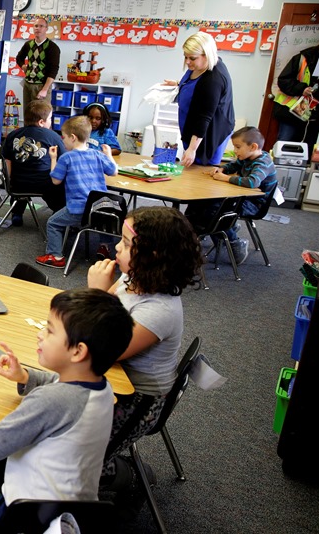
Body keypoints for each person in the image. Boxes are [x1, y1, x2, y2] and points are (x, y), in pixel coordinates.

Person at [0, 288, 133, 534]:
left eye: (49, 330)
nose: (40, 335)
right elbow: (61, 385)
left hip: (27, 520)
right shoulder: (102, 388)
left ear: (78, 351)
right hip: (78, 511)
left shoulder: (51, 401)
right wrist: (25, 376)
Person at [86, 206, 203, 516]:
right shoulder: (132, 277)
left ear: (151, 255)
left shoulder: (160, 310)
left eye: (125, 244)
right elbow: (111, 307)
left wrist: (95, 294)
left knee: (80, 461)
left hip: (138, 399)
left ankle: (134, 477)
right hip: (113, 379)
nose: (116, 248)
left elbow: (108, 347)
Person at [186, 126, 278, 265]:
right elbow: (233, 166)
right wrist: (221, 169)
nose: (235, 151)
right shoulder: (248, 156)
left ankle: (236, 243)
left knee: (214, 212)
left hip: (254, 204)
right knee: (202, 203)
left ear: (253, 147)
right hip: (241, 198)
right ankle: (221, 232)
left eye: (237, 147)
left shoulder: (262, 163)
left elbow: (252, 182)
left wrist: (225, 178)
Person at [36, 116, 118, 269]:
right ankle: (104, 246)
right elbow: (113, 171)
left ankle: (55, 256)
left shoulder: (66, 158)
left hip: (78, 209)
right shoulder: (97, 154)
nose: (63, 140)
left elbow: (55, 180)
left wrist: (53, 158)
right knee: (103, 218)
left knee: (53, 223)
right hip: (101, 207)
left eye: (64, 137)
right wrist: (109, 155)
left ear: (73, 138)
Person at [162, 31, 234, 168]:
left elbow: (204, 117)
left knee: (200, 171)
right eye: (185, 57)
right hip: (193, 127)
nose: (187, 61)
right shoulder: (198, 67)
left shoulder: (213, 79)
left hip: (207, 133)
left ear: (206, 55)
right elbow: (196, 86)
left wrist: (192, 149)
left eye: (192, 58)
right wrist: (178, 83)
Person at [1, 99, 66, 226]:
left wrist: (8, 180)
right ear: (41, 122)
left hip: (18, 184)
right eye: (50, 118)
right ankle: (58, 212)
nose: (51, 121)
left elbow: (7, 160)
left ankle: (17, 213)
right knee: (60, 187)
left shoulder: (13, 134)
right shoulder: (53, 136)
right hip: (45, 184)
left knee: (20, 183)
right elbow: (64, 159)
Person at [273, 37, 319, 147]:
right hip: (292, 112)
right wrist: (302, 89)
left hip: (318, 116)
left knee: (309, 149)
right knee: (284, 145)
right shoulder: (305, 57)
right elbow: (283, 80)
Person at [15, 17, 60, 110]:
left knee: (41, 115)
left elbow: (53, 70)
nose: (37, 28)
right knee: (28, 113)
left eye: (41, 26)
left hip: (41, 85)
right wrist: (23, 66)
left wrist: (45, 89)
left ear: (46, 29)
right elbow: (19, 58)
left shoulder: (52, 47)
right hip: (28, 84)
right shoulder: (28, 44)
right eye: (35, 26)